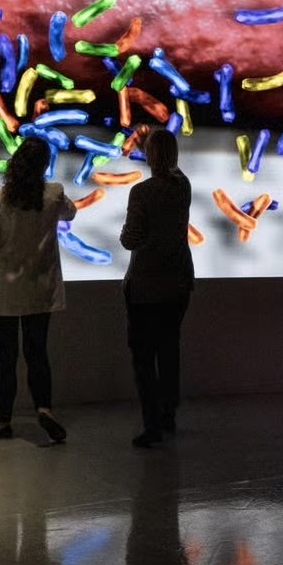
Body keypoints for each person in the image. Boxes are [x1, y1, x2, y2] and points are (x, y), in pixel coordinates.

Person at [0, 138, 77, 442]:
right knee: (37, 352)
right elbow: (70, 214)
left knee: (5, 356)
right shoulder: (54, 194)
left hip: (5, 288)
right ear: (44, 165)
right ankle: (44, 409)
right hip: (40, 288)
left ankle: (2, 420)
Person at [119, 129, 194, 449]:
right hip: (178, 281)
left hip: (147, 283)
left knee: (144, 357)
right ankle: (168, 413)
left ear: (149, 155)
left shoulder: (142, 192)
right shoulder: (183, 187)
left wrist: (127, 232)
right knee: (169, 349)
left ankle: (152, 424)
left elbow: (129, 239)